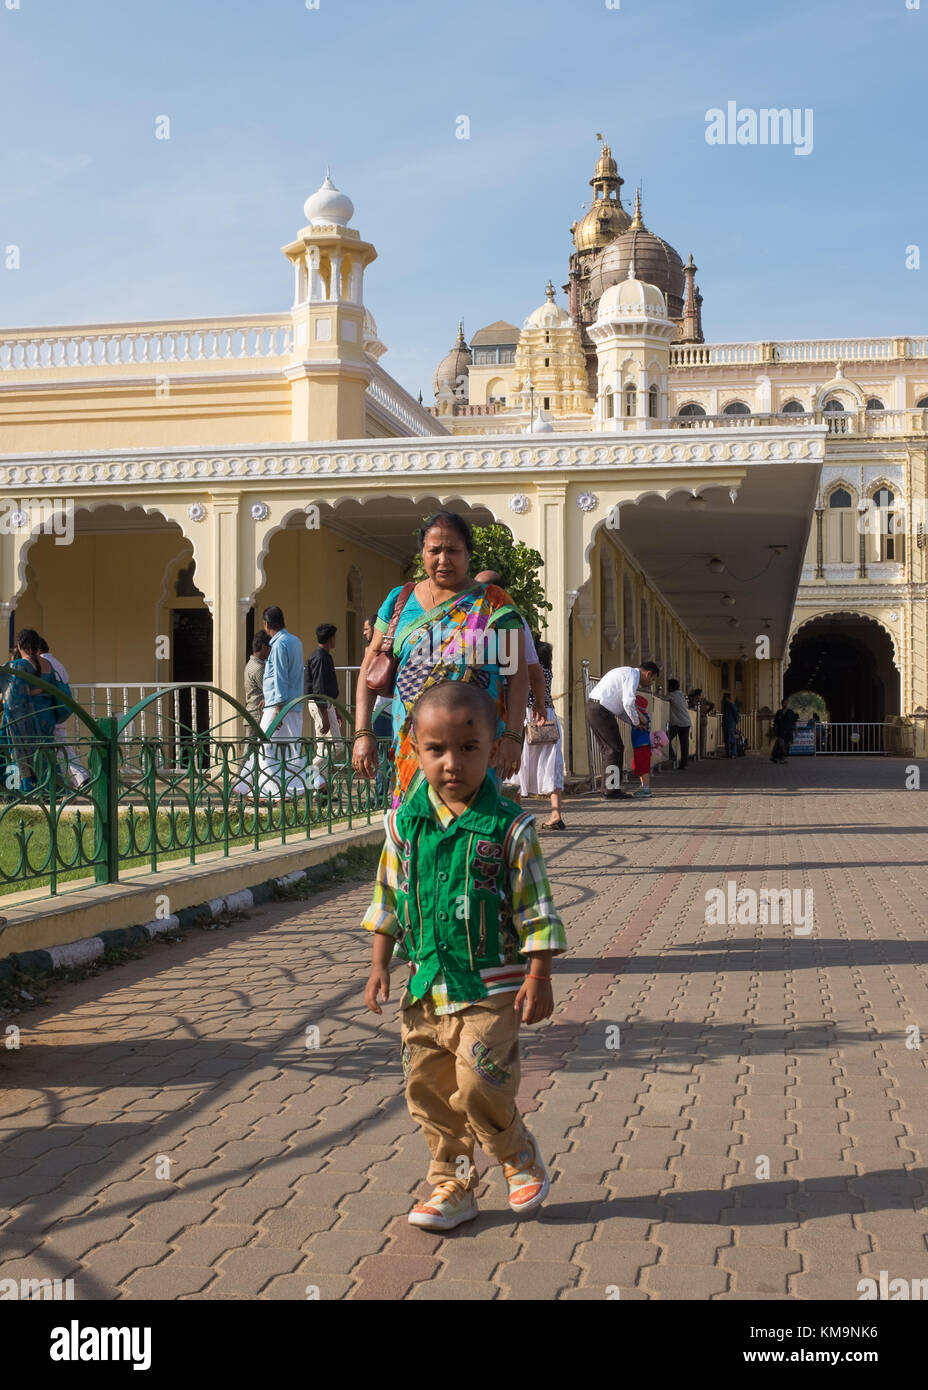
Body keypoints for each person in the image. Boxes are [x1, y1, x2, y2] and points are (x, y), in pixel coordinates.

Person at [363, 679, 566, 1232]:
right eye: (436, 750)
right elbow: (388, 899)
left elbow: (537, 909)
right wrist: (380, 964)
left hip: (491, 987)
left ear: (497, 748)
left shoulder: (510, 829)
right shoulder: (404, 826)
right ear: (415, 749)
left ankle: (515, 1153)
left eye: (468, 748)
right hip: (424, 987)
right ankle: (452, 1185)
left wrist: (539, 975)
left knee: (480, 1081)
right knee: (428, 1090)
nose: (452, 763)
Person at [351, 510, 529, 806]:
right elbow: (369, 668)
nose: (443, 559)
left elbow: (517, 675)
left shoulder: (495, 603)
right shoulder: (400, 600)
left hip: (478, 748)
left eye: (453, 550)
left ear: (468, 554)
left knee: (473, 833)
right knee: (417, 832)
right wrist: (362, 733)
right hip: (414, 750)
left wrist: (512, 736)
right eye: (434, 550)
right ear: (422, 553)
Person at [585, 661, 660, 799]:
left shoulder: (626, 673)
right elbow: (628, 703)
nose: (650, 683)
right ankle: (611, 791)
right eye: (652, 679)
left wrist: (635, 723)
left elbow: (621, 709)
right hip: (601, 710)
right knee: (614, 749)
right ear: (648, 673)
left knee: (609, 749)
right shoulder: (633, 675)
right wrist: (637, 721)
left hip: (595, 708)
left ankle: (608, 789)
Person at [0, 629, 60, 794]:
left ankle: (23, 791)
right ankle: (52, 789)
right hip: (46, 717)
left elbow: (11, 693)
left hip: (25, 718)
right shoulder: (48, 665)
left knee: (19, 753)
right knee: (44, 754)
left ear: (19, 645)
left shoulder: (19, 665)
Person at [258, 606, 308, 797]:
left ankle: (271, 793)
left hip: (281, 706)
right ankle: (296, 790)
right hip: (292, 705)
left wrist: (277, 708)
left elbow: (280, 677)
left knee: (265, 749)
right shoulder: (295, 641)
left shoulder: (278, 645)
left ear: (266, 624)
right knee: (291, 752)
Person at [517, 640, 566, 829]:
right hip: (549, 718)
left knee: (519, 765)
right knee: (551, 765)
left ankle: (518, 817)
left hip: (528, 716)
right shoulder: (548, 671)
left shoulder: (529, 670)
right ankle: (556, 814)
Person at [36, 637, 90, 790]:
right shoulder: (58, 664)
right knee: (61, 747)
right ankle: (75, 782)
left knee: (60, 748)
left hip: (50, 711)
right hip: (61, 709)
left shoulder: (42, 663)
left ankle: (81, 778)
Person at [305, 622, 343, 787]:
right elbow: (319, 689)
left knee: (324, 748)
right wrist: (325, 717)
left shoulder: (323, 655)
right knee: (336, 746)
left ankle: (319, 786)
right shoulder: (320, 657)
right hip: (321, 705)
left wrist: (335, 710)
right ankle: (310, 777)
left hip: (326, 705)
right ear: (330, 638)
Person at [629, 694, 653, 799]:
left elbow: (645, 721)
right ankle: (643, 786)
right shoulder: (635, 717)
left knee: (644, 769)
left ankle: (646, 789)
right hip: (638, 746)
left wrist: (637, 711)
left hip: (643, 746)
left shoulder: (643, 716)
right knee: (640, 768)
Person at [666, 678, 691, 771]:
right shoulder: (681, 694)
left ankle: (672, 757)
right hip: (686, 722)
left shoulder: (672, 695)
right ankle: (684, 764)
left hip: (678, 723)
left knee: (665, 739)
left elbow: (663, 698)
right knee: (684, 745)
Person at [770, 697, 799, 764]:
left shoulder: (791, 712)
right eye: (784, 703)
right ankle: (779, 758)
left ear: (788, 704)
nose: (785, 704)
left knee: (787, 746)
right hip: (781, 732)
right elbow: (775, 723)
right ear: (782, 704)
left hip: (789, 732)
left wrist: (796, 731)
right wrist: (774, 731)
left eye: (786, 703)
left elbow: (794, 722)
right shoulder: (779, 712)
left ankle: (782, 758)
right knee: (781, 745)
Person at [721, 691, 740, 758]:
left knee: (731, 738)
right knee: (726, 739)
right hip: (726, 723)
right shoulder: (725, 705)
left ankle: (733, 753)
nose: (723, 698)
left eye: (724, 696)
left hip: (730, 724)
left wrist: (736, 721)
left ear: (727, 697)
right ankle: (728, 753)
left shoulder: (731, 704)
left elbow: (735, 714)